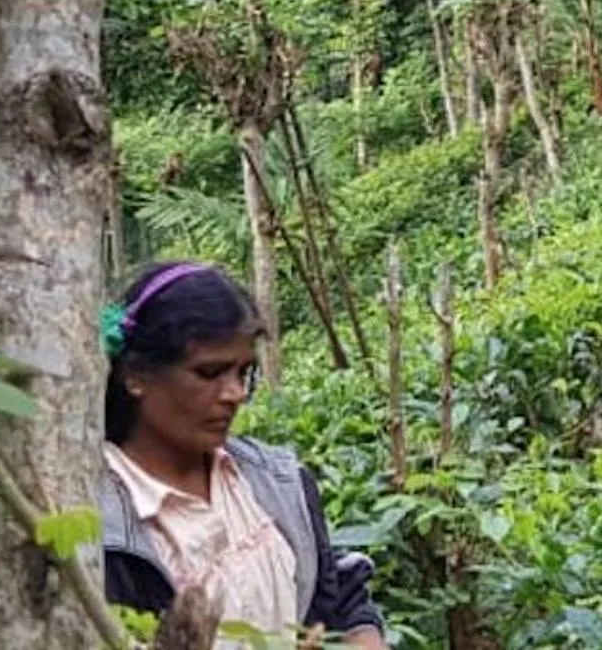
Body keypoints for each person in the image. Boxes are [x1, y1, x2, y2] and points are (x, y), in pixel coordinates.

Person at [99, 261, 389, 648]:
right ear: (136, 375)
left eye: (243, 373)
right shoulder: (102, 528)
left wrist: (362, 637)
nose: (234, 393)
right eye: (209, 373)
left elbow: (336, 591)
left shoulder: (275, 479)